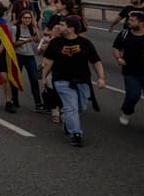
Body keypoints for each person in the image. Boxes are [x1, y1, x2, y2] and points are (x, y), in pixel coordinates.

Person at [40, 15, 105, 148]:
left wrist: (101, 78)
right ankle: (76, 134)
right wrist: (44, 77)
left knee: (81, 108)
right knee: (71, 107)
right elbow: (48, 62)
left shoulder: (85, 43)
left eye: (62, 25)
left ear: (71, 29)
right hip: (62, 80)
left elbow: (96, 61)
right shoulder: (56, 42)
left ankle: (67, 123)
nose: (59, 27)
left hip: (82, 80)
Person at [114, 10, 144, 136]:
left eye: (131, 20)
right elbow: (116, 47)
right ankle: (126, 111)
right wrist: (119, 58)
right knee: (133, 96)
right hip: (130, 72)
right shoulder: (124, 34)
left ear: (141, 23)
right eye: (128, 20)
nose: (128, 22)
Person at [14, 9, 45, 112]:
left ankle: (38, 103)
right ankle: (14, 100)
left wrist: (36, 27)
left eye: (29, 18)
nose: (27, 20)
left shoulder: (32, 28)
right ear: (21, 18)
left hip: (30, 56)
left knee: (34, 79)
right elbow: (13, 44)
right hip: (18, 56)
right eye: (25, 18)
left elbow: (39, 41)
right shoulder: (15, 28)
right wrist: (26, 41)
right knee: (16, 79)